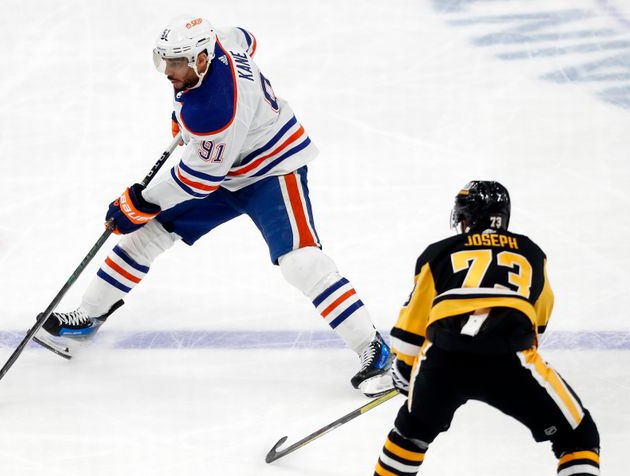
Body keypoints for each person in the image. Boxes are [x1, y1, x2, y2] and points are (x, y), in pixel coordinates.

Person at [33, 15, 392, 396]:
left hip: (270, 169)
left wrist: (140, 203)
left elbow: (198, 179)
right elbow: (248, 38)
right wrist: (182, 127)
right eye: (165, 61)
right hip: (223, 164)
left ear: (202, 58)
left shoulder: (215, 108)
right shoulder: (219, 41)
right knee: (147, 235)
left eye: (178, 63)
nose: (169, 71)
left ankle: (373, 348)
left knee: (301, 261)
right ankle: (89, 315)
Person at [374, 181, 600, 475]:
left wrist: (405, 372)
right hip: (509, 357)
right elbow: (540, 316)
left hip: (442, 358)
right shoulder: (531, 252)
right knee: (579, 437)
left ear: (467, 218)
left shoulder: (439, 253)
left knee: (410, 434)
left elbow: (411, 325)